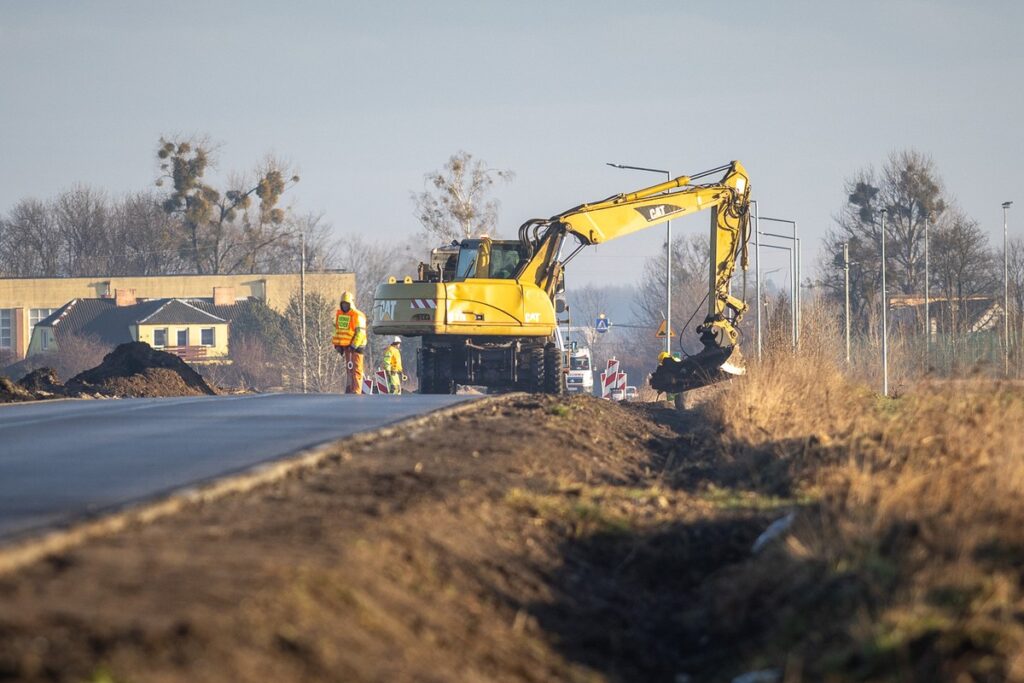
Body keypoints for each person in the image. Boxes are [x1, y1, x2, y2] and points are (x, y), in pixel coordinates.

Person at [331, 291, 367, 394]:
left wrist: (353, 345)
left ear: (351, 303)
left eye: (346, 304)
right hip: (346, 347)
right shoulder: (340, 315)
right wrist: (337, 345)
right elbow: (337, 331)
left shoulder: (357, 315)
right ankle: (350, 390)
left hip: (357, 347)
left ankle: (356, 390)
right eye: (343, 304)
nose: (345, 306)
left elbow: (360, 333)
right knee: (349, 370)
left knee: (357, 370)